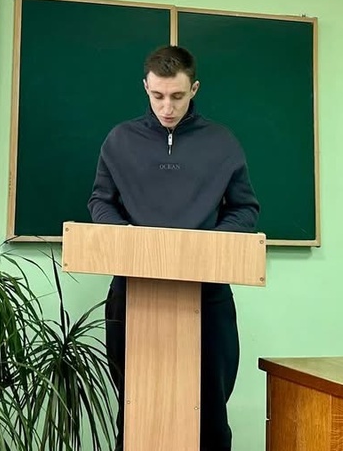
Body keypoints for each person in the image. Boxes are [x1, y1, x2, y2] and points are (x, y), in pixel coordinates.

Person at [87, 44, 260, 451]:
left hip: (207, 294)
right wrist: (129, 238)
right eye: (158, 96)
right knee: (135, 412)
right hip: (133, 292)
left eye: (178, 96)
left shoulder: (221, 142)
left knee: (210, 416)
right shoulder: (120, 140)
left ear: (194, 89)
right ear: (145, 88)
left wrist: (206, 245)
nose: (167, 107)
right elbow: (100, 201)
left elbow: (245, 208)